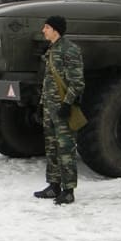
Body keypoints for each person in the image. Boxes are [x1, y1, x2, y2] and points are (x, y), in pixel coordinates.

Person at [34, 15, 84, 204]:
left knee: (66, 148)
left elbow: (77, 82)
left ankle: (68, 190)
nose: (43, 30)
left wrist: (67, 104)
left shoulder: (70, 50)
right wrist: (42, 105)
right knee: (52, 147)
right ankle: (53, 186)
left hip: (63, 108)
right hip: (50, 107)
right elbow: (48, 81)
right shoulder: (52, 50)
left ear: (55, 30)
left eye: (46, 27)